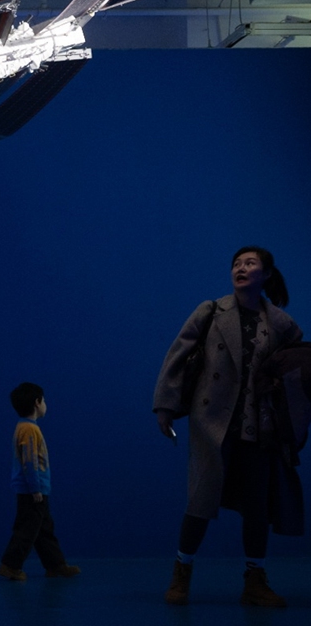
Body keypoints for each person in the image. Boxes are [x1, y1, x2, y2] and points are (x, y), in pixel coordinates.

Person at [153, 246, 303, 607]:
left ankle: (255, 580)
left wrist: (284, 391)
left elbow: (297, 363)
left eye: (250, 263)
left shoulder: (279, 322)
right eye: (236, 263)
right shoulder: (210, 311)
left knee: (257, 507)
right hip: (213, 422)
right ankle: (182, 573)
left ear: (266, 274)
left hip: (257, 426)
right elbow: (176, 355)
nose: (241, 268)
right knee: (200, 501)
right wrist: (165, 405)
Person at [0, 382, 81, 581]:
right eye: (44, 400)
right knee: (27, 530)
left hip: (33, 489)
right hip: (33, 491)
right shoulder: (30, 430)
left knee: (43, 529)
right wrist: (36, 489)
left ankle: (56, 565)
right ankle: (10, 565)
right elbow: (30, 461)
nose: (45, 404)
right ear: (37, 402)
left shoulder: (23, 427)